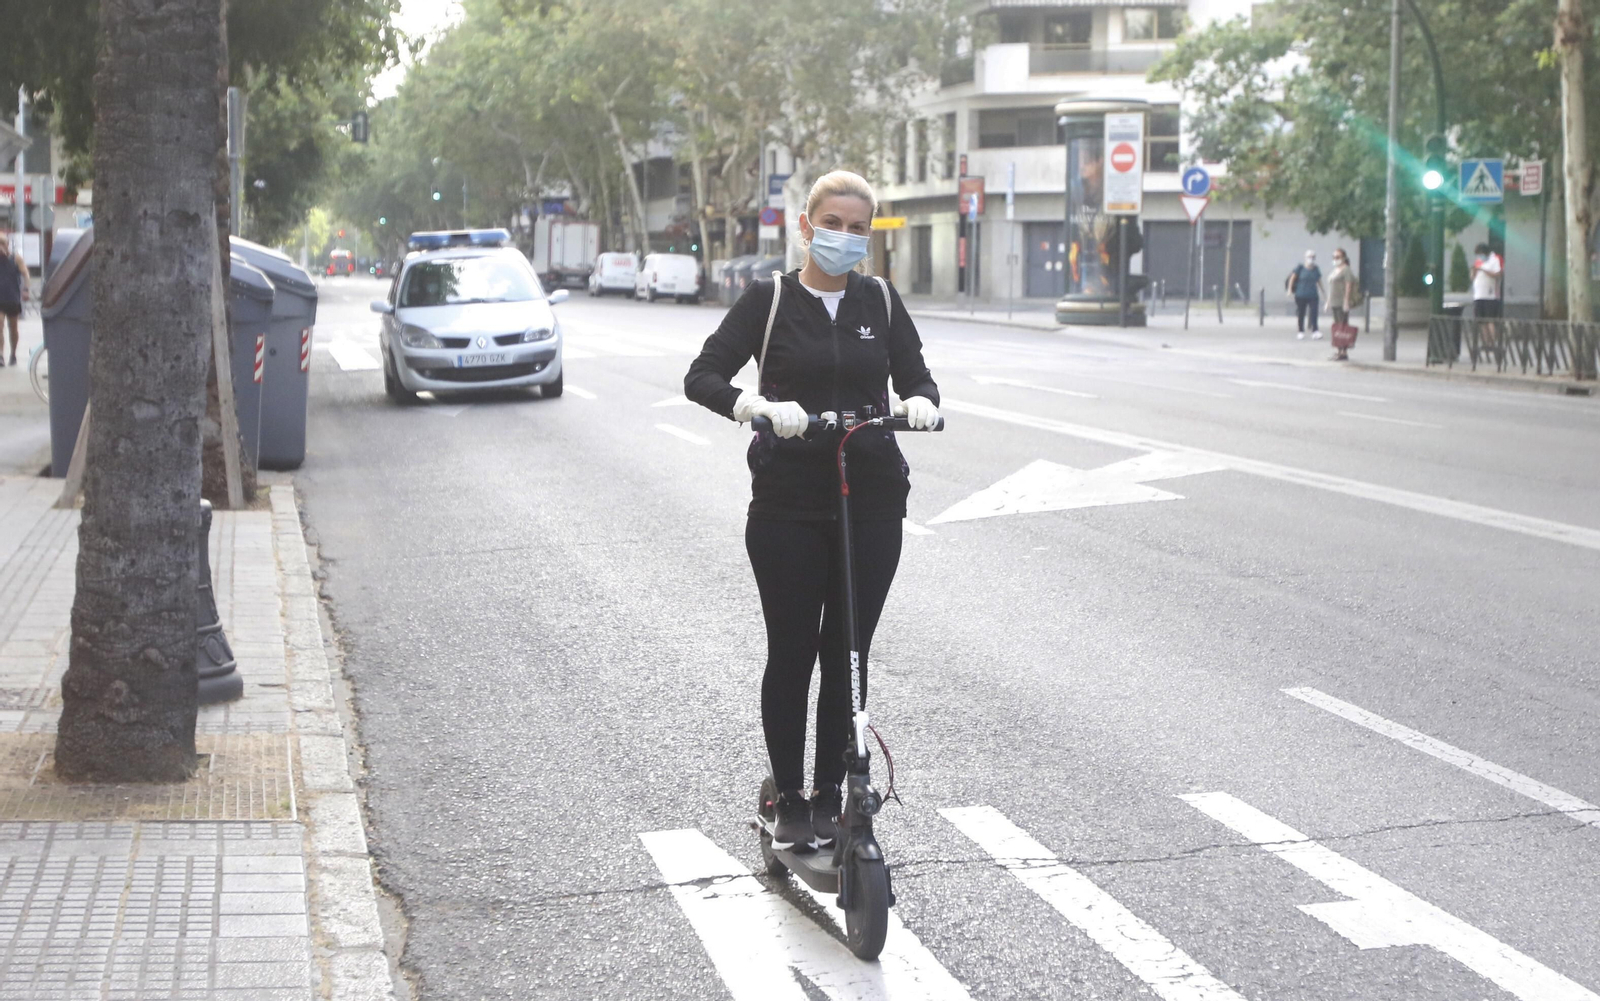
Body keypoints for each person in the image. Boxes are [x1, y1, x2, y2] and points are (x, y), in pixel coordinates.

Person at [684, 170, 940, 852]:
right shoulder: (768, 299)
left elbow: (916, 376)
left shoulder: (880, 301)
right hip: (788, 504)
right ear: (806, 226)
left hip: (872, 498)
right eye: (835, 223)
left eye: (860, 228)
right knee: (794, 651)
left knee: (848, 652)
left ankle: (832, 792)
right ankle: (791, 798)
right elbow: (703, 374)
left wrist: (920, 400)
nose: (846, 238)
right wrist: (755, 406)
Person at [0, 233, 29, 366]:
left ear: (7, 244)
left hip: (12, 298)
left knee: (13, 328)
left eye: (3, 243)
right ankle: (0, 355)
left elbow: (25, 274)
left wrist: (26, 289)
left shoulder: (16, 258)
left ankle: (13, 354)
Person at [1325, 248, 1357, 361]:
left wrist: (1346, 302)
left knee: (1342, 326)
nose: (1335, 259)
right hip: (1334, 302)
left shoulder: (1346, 270)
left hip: (1341, 302)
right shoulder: (1335, 270)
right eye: (1334, 257)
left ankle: (1343, 351)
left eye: (1338, 257)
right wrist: (1328, 301)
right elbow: (1331, 287)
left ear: (1343, 258)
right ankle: (1338, 350)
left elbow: (1349, 285)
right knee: (1337, 327)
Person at [1470, 242, 1503, 350]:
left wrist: (1483, 270)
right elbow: (1472, 277)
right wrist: (1474, 271)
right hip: (1478, 295)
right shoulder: (1478, 262)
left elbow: (1498, 274)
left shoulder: (1495, 259)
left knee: (1490, 320)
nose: (1479, 257)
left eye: (1480, 254)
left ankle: (1493, 343)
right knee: (1481, 321)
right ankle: (1485, 343)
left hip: (1490, 295)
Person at [1286, 250, 1325, 340]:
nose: (1311, 258)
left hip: (1313, 294)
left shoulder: (1316, 269)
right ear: (1305, 257)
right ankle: (1300, 331)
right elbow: (1292, 278)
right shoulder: (1300, 268)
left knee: (1314, 312)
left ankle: (1315, 330)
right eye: (1309, 256)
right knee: (1301, 313)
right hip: (1301, 294)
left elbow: (1319, 281)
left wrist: (1323, 292)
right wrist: (1289, 290)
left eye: (1312, 257)